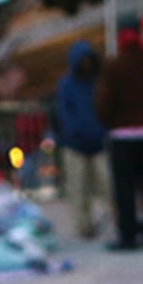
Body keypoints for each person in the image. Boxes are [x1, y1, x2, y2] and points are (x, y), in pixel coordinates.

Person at [93, 14, 143, 251]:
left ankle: (128, 235)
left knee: (125, 189)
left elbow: (103, 103)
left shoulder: (113, 65)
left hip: (122, 136)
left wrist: (110, 120)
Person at [55, 40, 109, 239]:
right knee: (78, 190)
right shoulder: (67, 85)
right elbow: (64, 113)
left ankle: (115, 221)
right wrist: (73, 131)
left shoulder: (98, 82)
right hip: (75, 143)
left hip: (97, 141)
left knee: (107, 185)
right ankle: (83, 225)